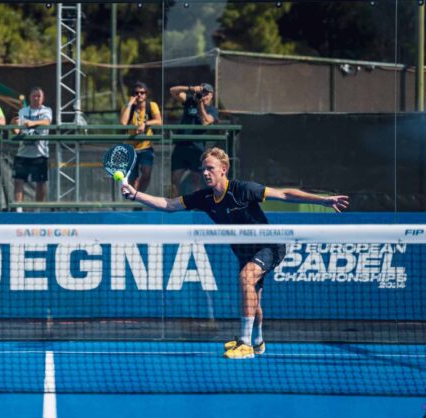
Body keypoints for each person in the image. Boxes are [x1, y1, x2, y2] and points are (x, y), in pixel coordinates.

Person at [121, 147, 349, 360]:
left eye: (210, 168)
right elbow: (170, 205)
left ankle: (245, 343)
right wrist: (136, 195)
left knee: (246, 278)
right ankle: (258, 341)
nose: (205, 173)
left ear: (224, 169)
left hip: (269, 246)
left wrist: (324, 201)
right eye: (203, 169)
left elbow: (285, 195)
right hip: (244, 252)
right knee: (253, 299)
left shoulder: (243, 190)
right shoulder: (205, 197)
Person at [168, 83, 219, 197]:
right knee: (174, 180)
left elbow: (206, 121)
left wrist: (200, 104)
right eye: (202, 93)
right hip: (181, 146)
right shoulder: (190, 101)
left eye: (207, 93)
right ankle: (174, 205)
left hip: (197, 148)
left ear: (211, 95)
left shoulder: (212, 110)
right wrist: (190, 88)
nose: (204, 96)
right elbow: (172, 90)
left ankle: (196, 205)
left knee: (197, 180)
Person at [12, 87, 53, 203]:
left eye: (38, 96)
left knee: (40, 183)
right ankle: (18, 209)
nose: (36, 98)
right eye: (34, 96)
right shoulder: (23, 111)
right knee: (18, 181)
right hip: (23, 153)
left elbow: (47, 122)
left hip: (40, 154)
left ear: (43, 98)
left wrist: (33, 123)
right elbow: (17, 131)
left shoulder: (46, 110)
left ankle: (38, 209)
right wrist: (13, 124)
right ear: (30, 97)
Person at [119, 81, 161, 193]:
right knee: (132, 178)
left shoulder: (152, 105)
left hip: (146, 147)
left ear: (146, 94)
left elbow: (159, 121)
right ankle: (133, 197)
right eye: (136, 93)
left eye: (142, 93)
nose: (139, 95)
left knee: (146, 173)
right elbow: (123, 123)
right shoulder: (128, 107)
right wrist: (129, 104)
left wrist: (145, 124)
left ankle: (139, 195)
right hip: (131, 148)